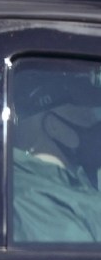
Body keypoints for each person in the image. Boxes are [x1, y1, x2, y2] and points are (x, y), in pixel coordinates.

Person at [11, 65, 101, 242]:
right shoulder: (33, 202)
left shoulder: (69, 182)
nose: (96, 124)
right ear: (54, 126)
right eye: (87, 116)